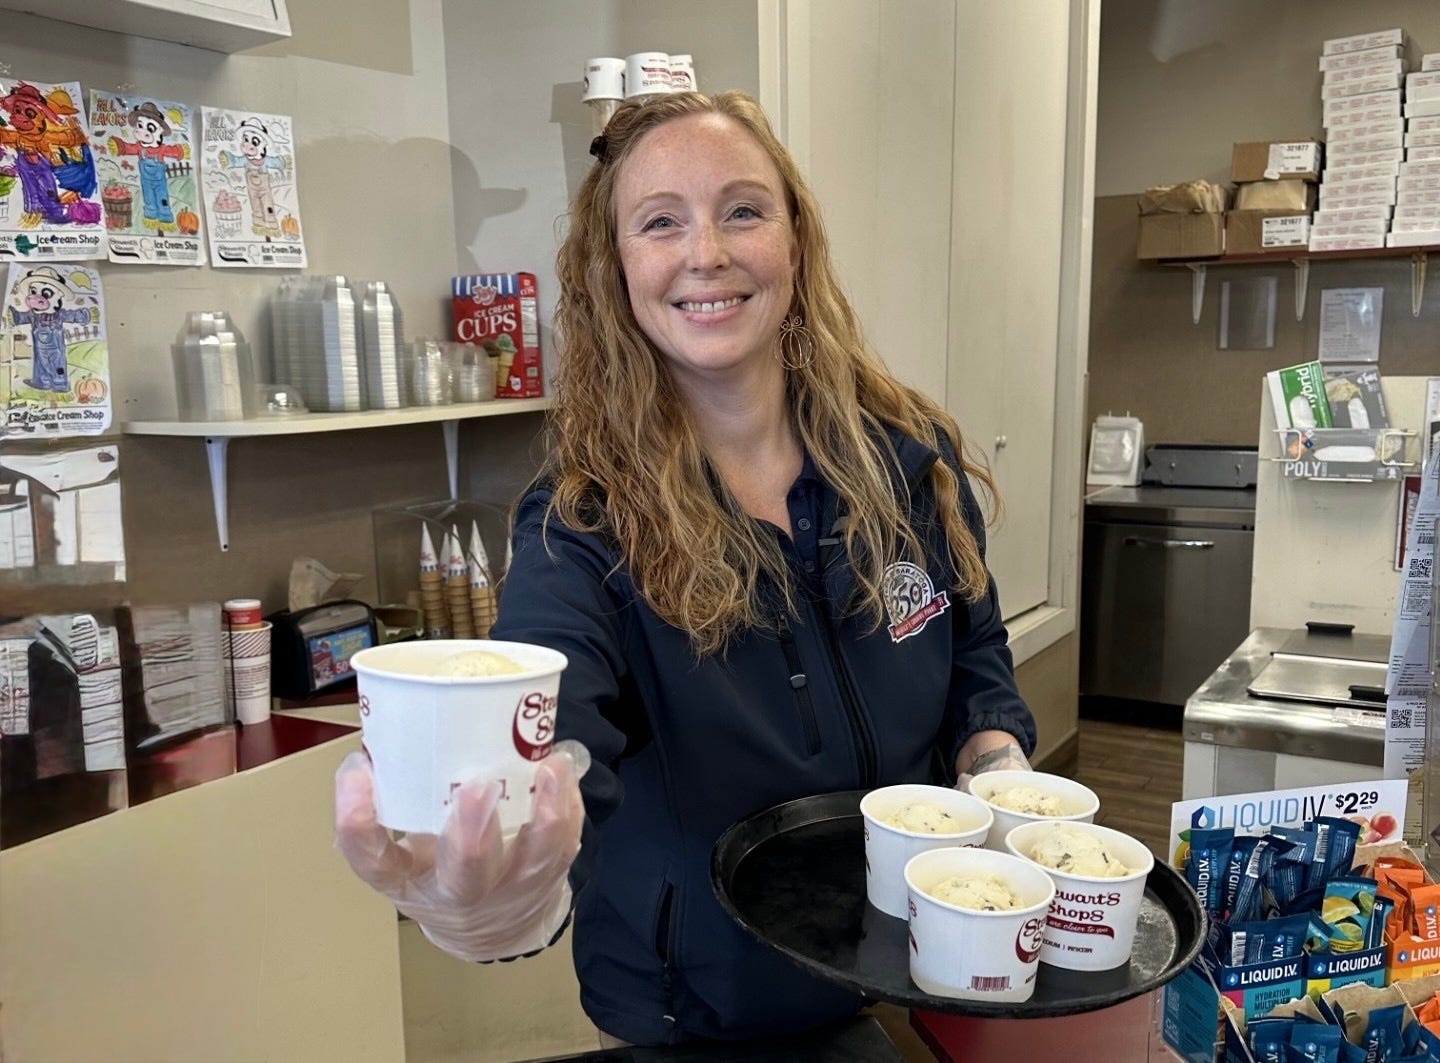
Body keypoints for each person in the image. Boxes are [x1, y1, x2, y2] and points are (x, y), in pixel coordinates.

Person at [335, 90, 1037, 1047]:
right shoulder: (583, 524)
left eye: (743, 210)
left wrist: (1000, 770)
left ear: (797, 241)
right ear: (616, 266)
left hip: (905, 961)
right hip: (697, 1012)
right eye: (661, 222)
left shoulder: (907, 462)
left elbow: (974, 651)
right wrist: (503, 889)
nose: (706, 251)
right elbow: (553, 723)